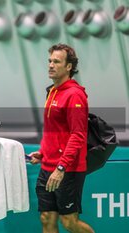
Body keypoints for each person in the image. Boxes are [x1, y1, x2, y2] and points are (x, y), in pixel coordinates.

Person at [28, 44, 95, 233]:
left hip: (67, 169)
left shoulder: (75, 95)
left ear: (68, 67)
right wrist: (42, 153)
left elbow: (78, 134)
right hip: (47, 166)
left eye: (56, 61)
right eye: (50, 61)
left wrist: (61, 167)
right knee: (46, 218)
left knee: (69, 222)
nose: (50, 65)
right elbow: (55, 130)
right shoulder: (52, 92)